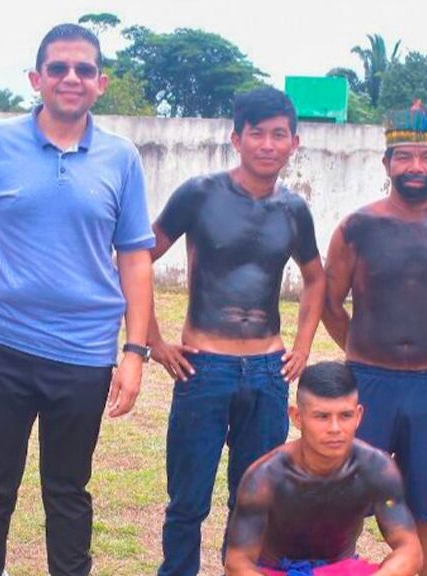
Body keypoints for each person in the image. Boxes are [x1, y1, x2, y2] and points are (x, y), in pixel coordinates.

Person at [0, 23, 154, 576]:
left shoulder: (121, 158)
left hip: (84, 355)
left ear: (101, 82)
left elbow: (135, 257)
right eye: (58, 68)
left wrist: (135, 352)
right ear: (37, 78)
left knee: (68, 491)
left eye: (84, 69)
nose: (71, 78)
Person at [148, 87, 325, 576]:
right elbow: (139, 258)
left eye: (278, 135)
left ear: (294, 142)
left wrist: (304, 344)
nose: (268, 145)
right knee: (188, 500)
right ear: (236, 138)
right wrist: (154, 340)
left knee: (254, 498)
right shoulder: (199, 194)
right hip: (205, 367)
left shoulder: (293, 210)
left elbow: (315, 277)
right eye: (257, 134)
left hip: (269, 372)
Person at [322, 105, 427, 576]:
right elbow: (332, 302)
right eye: (405, 157)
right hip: (368, 384)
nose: (417, 167)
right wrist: (360, 349)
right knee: (348, 498)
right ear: (387, 163)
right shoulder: (358, 227)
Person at [224, 362, 423, 576]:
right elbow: (237, 564)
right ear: (297, 417)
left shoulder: (376, 468)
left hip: (341, 570)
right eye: (322, 417)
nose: (335, 429)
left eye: (345, 415)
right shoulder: (265, 477)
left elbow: (410, 550)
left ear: (358, 415)